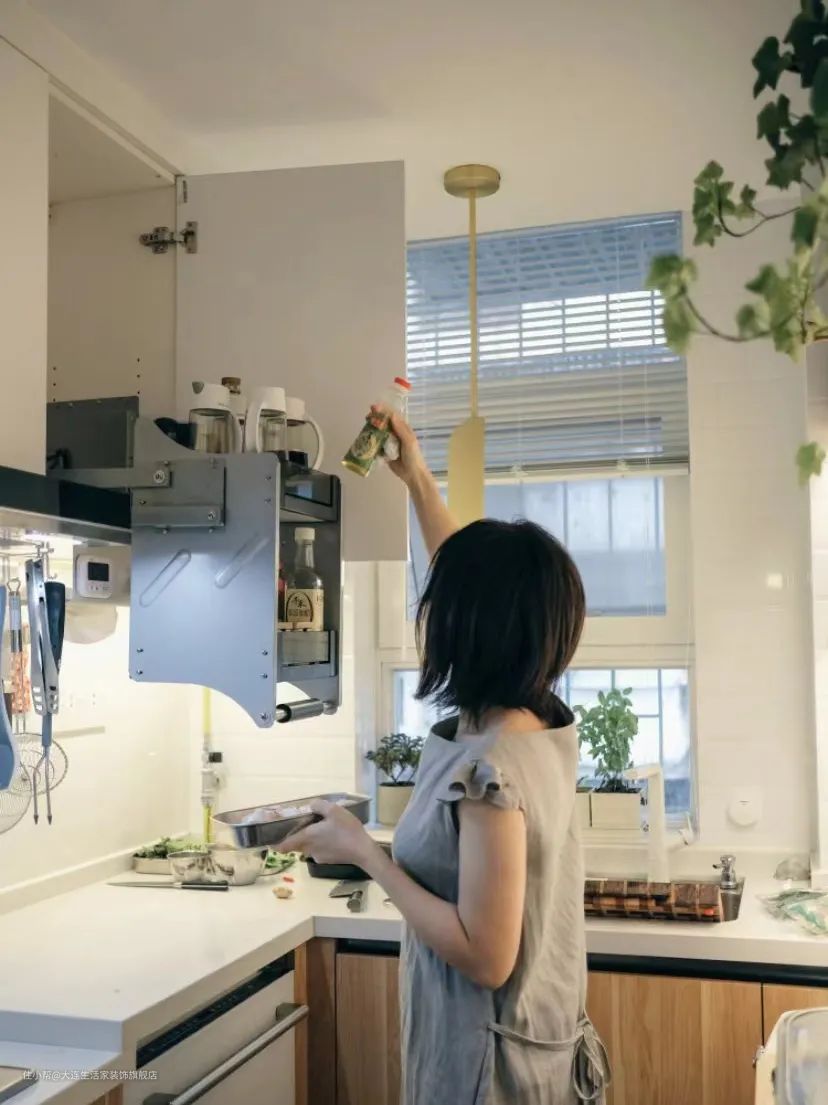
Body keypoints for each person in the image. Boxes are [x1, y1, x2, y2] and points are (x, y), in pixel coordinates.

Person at [277, 411, 610, 1105]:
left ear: (465, 625)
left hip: (490, 1074)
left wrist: (365, 853)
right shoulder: (537, 721)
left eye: (439, 605)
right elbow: (471, 578)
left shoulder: (492, 771)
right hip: (528, 1051)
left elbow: (487, 957)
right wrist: (418, 480)